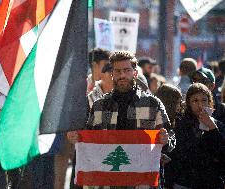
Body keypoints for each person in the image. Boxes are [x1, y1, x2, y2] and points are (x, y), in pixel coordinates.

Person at [68, 51, 174, 189]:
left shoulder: (153, 104)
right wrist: (77, 137)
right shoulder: (99, 106)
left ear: (135, 73)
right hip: (107, 182)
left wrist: (166, 139)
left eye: (127, 70)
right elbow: (89, 143)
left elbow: (171, 139)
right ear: (112, 74)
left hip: (141, 182)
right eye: (117, 71)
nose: (122, 75)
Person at [164, 83, 225, 189]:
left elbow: (221, 153)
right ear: (189, 103)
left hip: (210, 183)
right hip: (184, 182)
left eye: (204, 100)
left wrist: (212, 129)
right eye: (195, 101)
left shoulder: (218, 125)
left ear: (209, 102)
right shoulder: (180, 124)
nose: (200, 105)